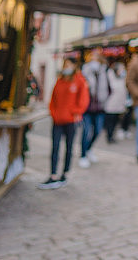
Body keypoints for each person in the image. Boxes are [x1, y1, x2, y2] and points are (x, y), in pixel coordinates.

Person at [38, 58, 89, 189]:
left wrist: (75, 112)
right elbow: (53, 98)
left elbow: (83, 100)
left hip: (71, 121)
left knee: (69, 147)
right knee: (55, 147)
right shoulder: (60, 80)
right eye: (65, 65)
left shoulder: (79, 80)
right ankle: (53, 175)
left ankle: (65, 174)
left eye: (69, 65)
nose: (66, 67)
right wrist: (53, 113)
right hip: (58, 120)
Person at [79, 48, 109, 168]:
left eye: (97, 59)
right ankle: (82, 155)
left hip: (99, 107)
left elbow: (109, 88)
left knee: (97, 131)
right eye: (92, 59)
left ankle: (89, 149)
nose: (94, 62)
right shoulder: (84, 73)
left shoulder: (104, 72)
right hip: (87, 108)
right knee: (86, 132)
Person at [104, 61, 128, 143]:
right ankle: (109, 136)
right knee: (110, 121)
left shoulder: (123, 78)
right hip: (110, 104)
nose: (122, 71)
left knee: (115, 122)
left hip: (119, 104)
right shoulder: (110, 75)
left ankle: (111, 136)